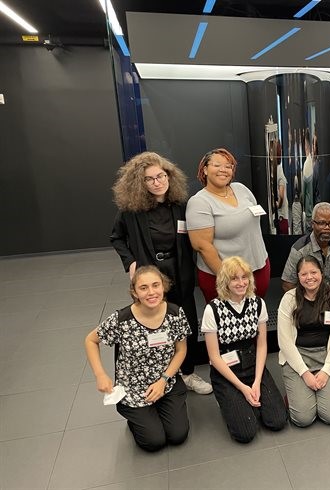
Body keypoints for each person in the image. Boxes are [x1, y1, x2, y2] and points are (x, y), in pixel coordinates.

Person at [109, 152, 212, 395]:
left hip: (180, 270)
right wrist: (130, 263)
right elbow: (116, 237)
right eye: (149, 179)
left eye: (161, 176)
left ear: (169, 176)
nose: (157, 182)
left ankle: (187, 373)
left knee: (184, 321)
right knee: (154, 323)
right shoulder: (131, 211)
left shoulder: (181, 206)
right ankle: (161, 374)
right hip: (150, 273)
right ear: (139, 183)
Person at [84, 266, 190, 452]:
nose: (151, 292)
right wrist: (100, 374)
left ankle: (157, 411)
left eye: (156, 285)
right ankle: (138, 418)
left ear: (163, 287)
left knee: (178, 435)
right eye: (143, 288)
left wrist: (163, 380)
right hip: (133, 388)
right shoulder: (122, 319)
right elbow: (91, 340)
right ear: (134, 292)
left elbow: (181, 350)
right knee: (154, 442)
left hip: (166, 381)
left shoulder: (175, 313)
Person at [201, 257, 287, 443]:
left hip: (252, 363)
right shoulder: (212, 310)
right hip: (226, 369)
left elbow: (262, 344)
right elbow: (214, 357)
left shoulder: (257, 304)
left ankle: (246, 398)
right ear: (225, 281)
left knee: (278, 421)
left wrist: (256, 382)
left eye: (244, 277)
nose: (241, 283)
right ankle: (229, 398)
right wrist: (242, 388)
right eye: (234, 278)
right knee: (245, 432)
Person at [186, 148, 271, 302]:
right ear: (204, 169)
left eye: (228, 166)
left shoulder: (241, 189)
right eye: (217, 165)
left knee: (256, 317)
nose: (223, 170)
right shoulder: (199, 202)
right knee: (228, 323)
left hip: (258, 268)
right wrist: (230, 279)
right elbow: (202, 246)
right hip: (223, 277)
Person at [277, 256, 330, 427]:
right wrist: (305, 373)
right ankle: (299, 392)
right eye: (304, 274)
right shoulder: (289, 299)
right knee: (303, 419)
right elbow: (285, 341)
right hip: (297, 357)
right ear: (298, 277)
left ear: (321, 273)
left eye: (314, 272)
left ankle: (314, 389)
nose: (309, 277)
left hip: (326, 355)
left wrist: (326, 370)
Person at [281, 202, 330, 292]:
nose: (327, 228)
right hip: (307, 295)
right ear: (312, 224)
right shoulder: (299, 250)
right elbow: (288, 284)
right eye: (321, 223)